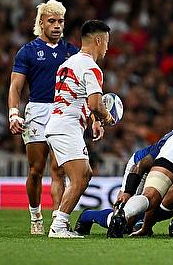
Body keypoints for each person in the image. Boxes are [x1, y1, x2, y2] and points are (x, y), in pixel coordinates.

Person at [8, 0, 79, 235]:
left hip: (62, 112)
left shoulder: (71, 51)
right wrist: (13, 113)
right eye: (52, 21)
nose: (57, 25)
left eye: (60, 21)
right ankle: (35, 215)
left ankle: (58, 221)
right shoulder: (27, 51)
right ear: (41, 23)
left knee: (59, 170)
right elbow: (15, 87)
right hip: (37, 111)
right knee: (36, 169)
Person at [45, 19, 115, 238]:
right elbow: (95, 103)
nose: (107, 47)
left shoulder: (68, 63)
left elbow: (74, 96)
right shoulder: (92, 68)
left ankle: (59, 220)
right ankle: (58, 226)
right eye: (106, 42)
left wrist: (93, 121)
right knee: (83, 175)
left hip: (56, 123)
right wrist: (106, 116)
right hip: (67, 127)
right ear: (98, 40)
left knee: (63, 176)